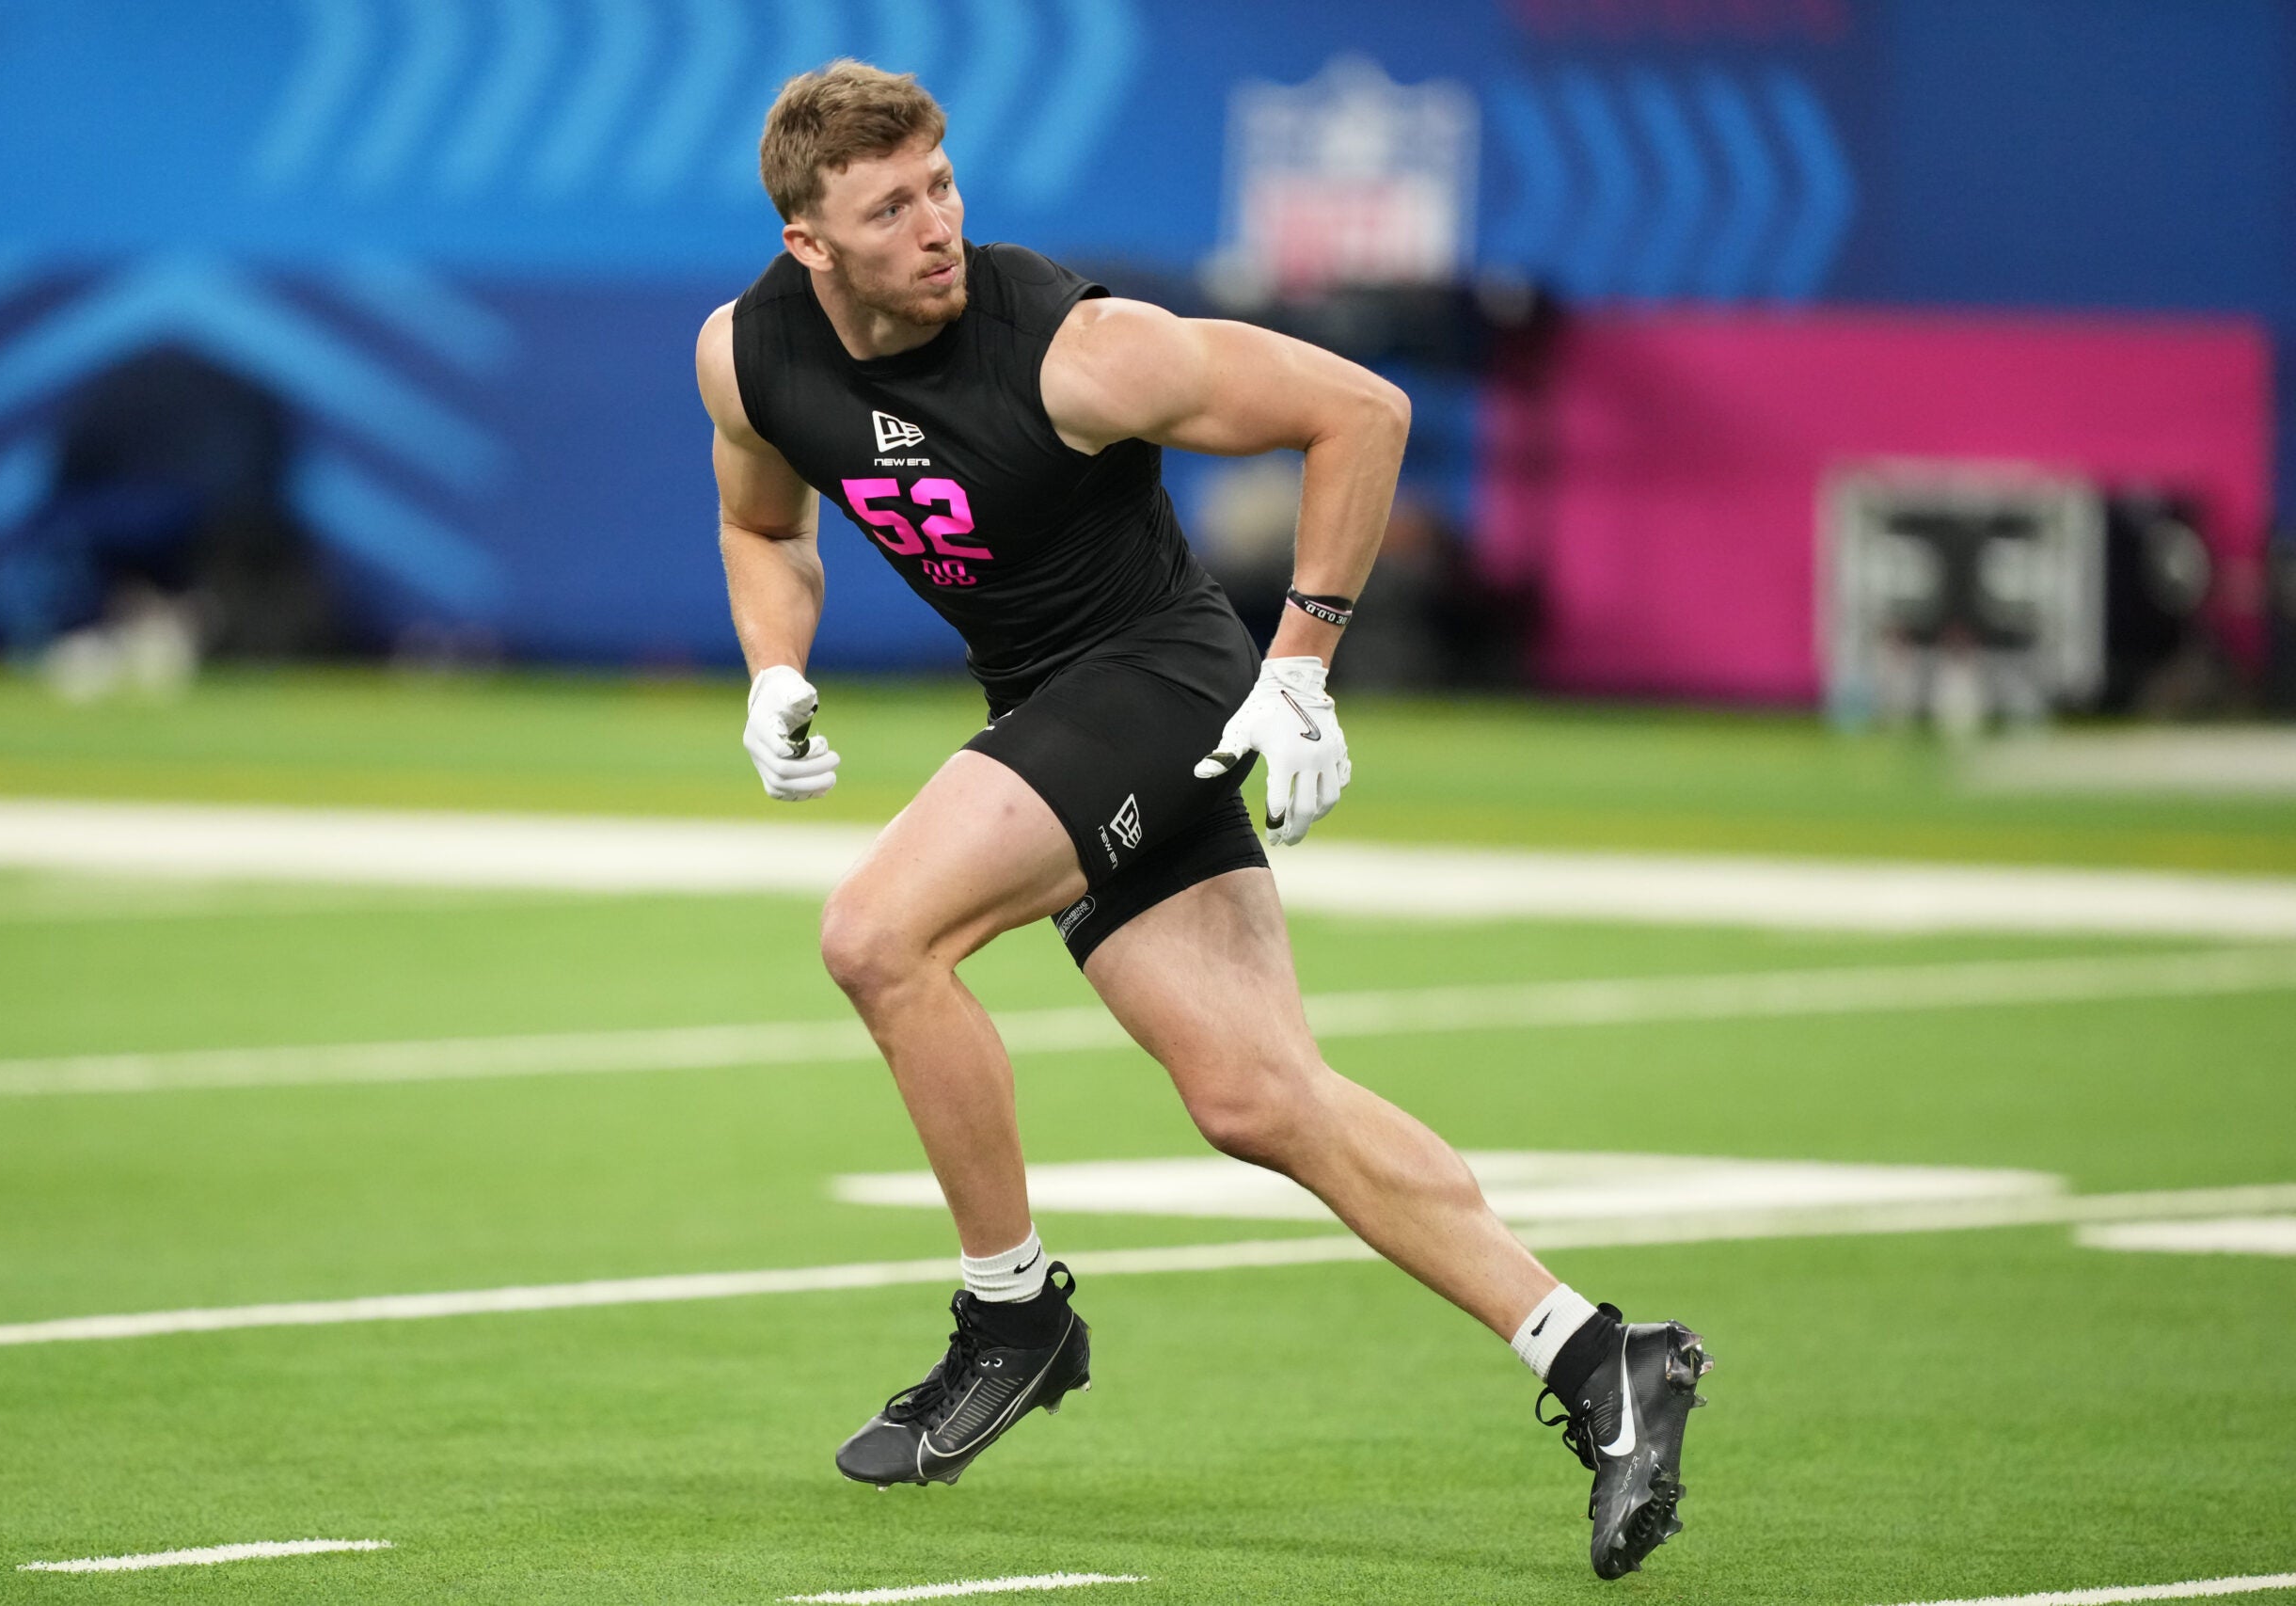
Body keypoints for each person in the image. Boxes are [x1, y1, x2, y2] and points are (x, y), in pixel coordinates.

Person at [695, 60, 1712, 1580]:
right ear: (808, 246)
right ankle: (1595, 1360)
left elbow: (1359, 410)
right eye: (890, 206)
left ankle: (1012, 1311)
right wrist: (777, 668)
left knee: (879, 936)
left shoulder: (1075, 345)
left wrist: (1300, 669)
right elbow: (762, 519)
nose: (936, 225)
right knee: (1258, 1097)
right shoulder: (748, 355)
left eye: (942, 183)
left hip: (1159, 685)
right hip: (1052, 711)